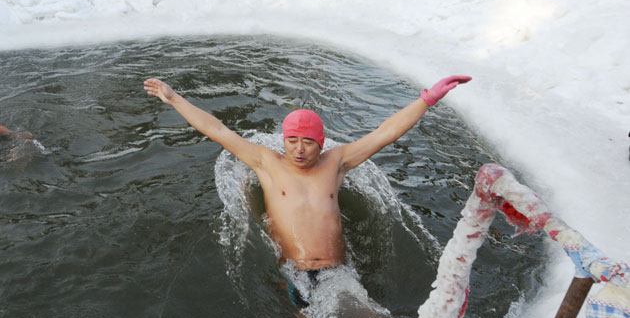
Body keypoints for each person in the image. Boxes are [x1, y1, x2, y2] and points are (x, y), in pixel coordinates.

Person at [143, 75, 470, 276]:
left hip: (340, 271)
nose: (299, 150)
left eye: (308, 142)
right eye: (292, 141)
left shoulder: (335, 163)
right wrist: (173, 98)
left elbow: (384, 133)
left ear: (321, 143)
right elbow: (216, 129)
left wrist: (426, 100)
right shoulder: (266, 162)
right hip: (295, 274)